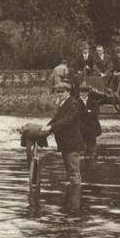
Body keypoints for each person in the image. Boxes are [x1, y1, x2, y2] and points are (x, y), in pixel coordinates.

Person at [40, 81, 84, 211]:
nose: (59, 94)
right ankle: (72, 201)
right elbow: (56, 120)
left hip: (72, 143)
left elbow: (67, 120)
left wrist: (50, 127)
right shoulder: (63, 104)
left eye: (62, 92)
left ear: (68, 92)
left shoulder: (73, 104)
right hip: (65, 143)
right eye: (57, 92)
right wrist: (46, 128)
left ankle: (75, 204)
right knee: (70, 171)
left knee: (74, 171)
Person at [76, 83, 110, 163]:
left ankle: (91, 165)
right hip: (81, 128)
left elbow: (95, 114)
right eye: (81, 92)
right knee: (81, 149)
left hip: (92, 128)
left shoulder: (94, 102)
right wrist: (88, 111)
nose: (83, 94)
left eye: (85, 92)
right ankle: (83, 166)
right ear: (79, 93)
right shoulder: (75, 102)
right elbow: (77, 115)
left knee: (91, 149)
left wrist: (84, 113)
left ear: (88, 93)